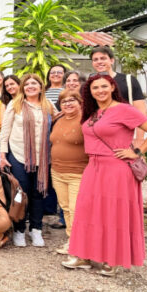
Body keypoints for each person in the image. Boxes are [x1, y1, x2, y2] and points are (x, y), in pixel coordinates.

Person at [63, 73, 147, 275]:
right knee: (87, 211)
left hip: (116, 168)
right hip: (93, 166)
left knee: (113, 213)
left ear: (112, 87)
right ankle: (84, 255)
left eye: (104, 86)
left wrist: (137, 151)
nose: (100, 90)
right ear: (90, 91)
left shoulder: (124, 109)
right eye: (95, 88)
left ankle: (113, 258)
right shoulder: (93, 112)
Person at [0, 74, 55, 248]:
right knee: (21, 194)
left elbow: (59, 122)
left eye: (34, 83)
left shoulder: (49, 105)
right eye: (27, 84)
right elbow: (5, 130)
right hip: (18, 155)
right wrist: (3, 155)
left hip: (42, 157)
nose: (30, 86)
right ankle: (19, 229)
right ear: (23, 87)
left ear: (41, 87)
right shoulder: (15, 104)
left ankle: (36, 229)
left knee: (38, 193)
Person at [50, 90, 87, 256]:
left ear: (80, 102)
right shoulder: (58, 120)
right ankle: (72, 240)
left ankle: (79, 244)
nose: (68, 104)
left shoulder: (86, 120)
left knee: (75, 210)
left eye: (72, 100)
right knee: (65, 208)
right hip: (57, 172)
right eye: (64, 101)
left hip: (78, 173)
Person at [89, 46, 147, 117]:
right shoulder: (90, 84)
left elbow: (141, 112)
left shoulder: (128, 81)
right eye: (95, 60)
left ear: (112, 61)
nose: (99, 62)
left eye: (103, 58)